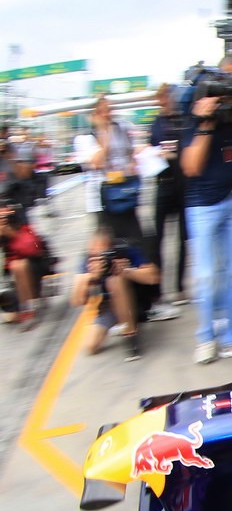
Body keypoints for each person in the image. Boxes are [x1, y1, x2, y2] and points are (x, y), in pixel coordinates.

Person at [180, 69, 232, 365]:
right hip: (202, 205)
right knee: (206, 276)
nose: (225, 101)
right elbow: (190, 167)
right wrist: (205, 123)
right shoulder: (194, 117)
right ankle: (205, 339)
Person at [69, 228, 164, 361]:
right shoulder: (88, 261)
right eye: (93, 253)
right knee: (91, 346)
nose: (99, 258)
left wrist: (126, 271)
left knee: (115, 280)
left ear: (111, 249)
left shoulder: (125, 250)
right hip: (110, 304)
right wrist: (90, 278)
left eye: (103, 254)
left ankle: (130, 335)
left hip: (135, 300)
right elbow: (77, 301)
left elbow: (154, 277)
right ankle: (120, 323)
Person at [148, 83, 189, 304]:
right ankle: (157, 289)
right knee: (158, 239)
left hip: (183, 184)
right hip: (163, 183)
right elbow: (151, 150)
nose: (165, 102)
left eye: (168, 98)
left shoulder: (182, 120)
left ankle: (179, 287)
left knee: (183, 238)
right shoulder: (156, 123)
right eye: (162, 99)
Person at [89, 95, 143, 242]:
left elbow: (132, 151)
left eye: (110, 109)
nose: (108, 114)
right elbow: (97, 163)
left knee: (135, 233)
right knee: (114, 235)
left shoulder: (121, 127)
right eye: (104, 111)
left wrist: (133, 163)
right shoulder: (91, 135)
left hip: (126, 185)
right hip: (109, 189)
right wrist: (103, 131)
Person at [0, 202, 51, 330]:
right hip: (11, 280)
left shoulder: (23, 228)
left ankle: (28, 306)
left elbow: (33, 249)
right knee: (11, 317)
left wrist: (12, 235)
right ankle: (19, 306)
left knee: (18, 265)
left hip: (34, 268)